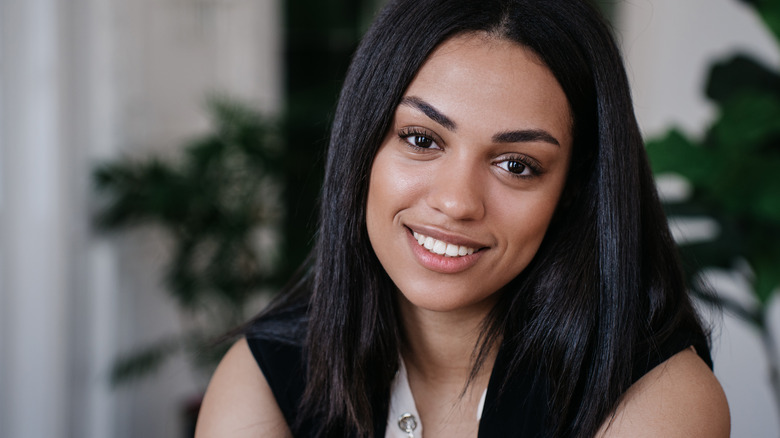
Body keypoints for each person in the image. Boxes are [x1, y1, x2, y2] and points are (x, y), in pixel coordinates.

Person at [195, 0, 730, 436]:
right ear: (363, 145)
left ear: (573, 189)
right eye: (421, 139)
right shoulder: (265, 376)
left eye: (516, 165)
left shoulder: (657, 397)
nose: (456, 202)